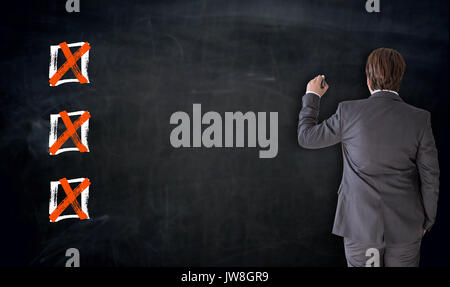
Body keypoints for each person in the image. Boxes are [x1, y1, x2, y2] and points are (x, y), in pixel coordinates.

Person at [297, 48, 440, 267]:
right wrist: (427, 221)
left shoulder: (348, 113)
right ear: (400, 78)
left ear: (368, 79)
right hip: (406, 228)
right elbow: (430, 176)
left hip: (359, 227)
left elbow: (306, 137)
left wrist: (312, 96)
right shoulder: (420, 119)